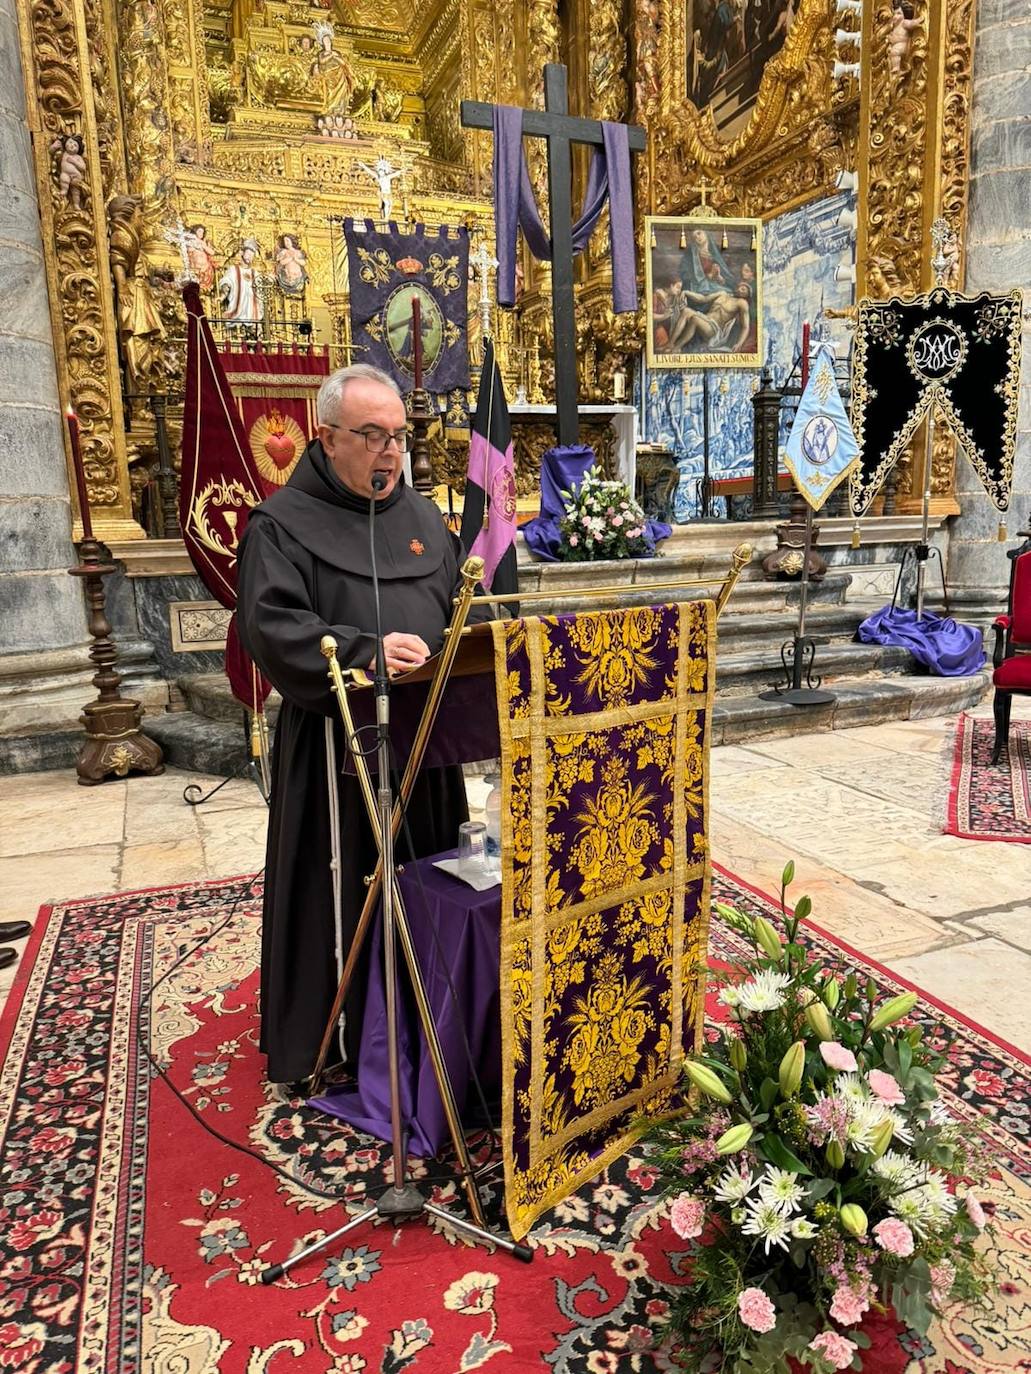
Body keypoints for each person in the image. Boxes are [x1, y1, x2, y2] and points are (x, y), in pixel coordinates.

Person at [236, 364, 488, 1085]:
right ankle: (337, 1036)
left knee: (430, 875)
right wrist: (362, 652)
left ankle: (428, 1019)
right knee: (341, 889)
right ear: (327, 437)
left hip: (425, 739)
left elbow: (457, 605)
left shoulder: (423, 520)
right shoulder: (280, 524)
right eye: (373, 436)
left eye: (399, 437)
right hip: (335, 749)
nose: (390, 452)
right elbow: (270, 625)